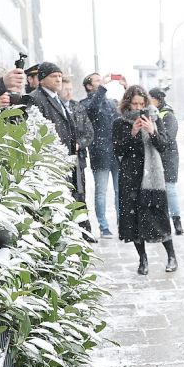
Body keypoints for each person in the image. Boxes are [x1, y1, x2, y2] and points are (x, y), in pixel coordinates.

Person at [113, 85, 177, 274]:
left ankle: (171, 256)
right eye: (135, 104)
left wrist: (153, 132)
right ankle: (143, 259)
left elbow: (164, 146)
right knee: (133, 220)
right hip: (130, 176)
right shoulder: (119, 123)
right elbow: (118, 150)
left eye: (142, 103)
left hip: (152, 178)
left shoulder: (155, 119)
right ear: (127, 103)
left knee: (159, 216)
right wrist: (132, 134)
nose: (138, 107)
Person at [30, 62, 96, 242]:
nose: (58, 79)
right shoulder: (37, 98)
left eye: (60, 75)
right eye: (53, 76)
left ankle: (80, 232)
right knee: (62, 200)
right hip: (54, 161)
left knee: (77, 196)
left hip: (70, 159)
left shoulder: (57, 99)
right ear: (42, 79)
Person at [82, 73, 124, 238]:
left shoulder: (111, 103)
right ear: (89, 86)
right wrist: (102, 89)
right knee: (101, 192)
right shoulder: (85, 104)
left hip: (116, 153)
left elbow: (125, 112)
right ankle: (104, 227)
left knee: (120, 191)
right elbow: (92, 110)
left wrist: (126, 88)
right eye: (97, 81)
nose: (101, 84)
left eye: (101, 81)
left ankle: (123, 224)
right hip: (99, 153)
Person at [150, 88, 183, 235]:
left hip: (168, 158)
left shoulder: (168, 115)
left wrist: (155, 136)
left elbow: (168, 138)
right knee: (156, 190)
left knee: (169, 189)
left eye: (150, 98)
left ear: (158, 99)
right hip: (154, 157)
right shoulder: (150, 114)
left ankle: (177, 221)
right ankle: (158, 221)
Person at [61, 78, 94, 168]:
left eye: (70, 89)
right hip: (62, 157)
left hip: (79, 157)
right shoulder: (56, 107)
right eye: (66, 89)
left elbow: (89, 132)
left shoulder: (78, 107)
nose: (69, 92)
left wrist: (79, 144)